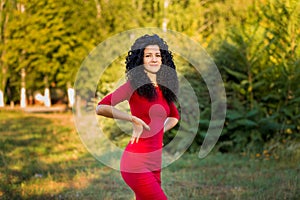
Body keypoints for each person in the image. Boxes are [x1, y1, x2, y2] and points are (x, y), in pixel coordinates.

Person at [96, 34, 180, 200]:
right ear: (140, 60)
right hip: (135, 163)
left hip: (155, 164)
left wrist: (158, 130)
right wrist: (132, 119)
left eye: (158, 55)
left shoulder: (163, 89)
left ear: (163, 59)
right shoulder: (133, 86)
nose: (154, 59)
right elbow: (101, 107)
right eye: (148, 55)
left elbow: (174, 116)